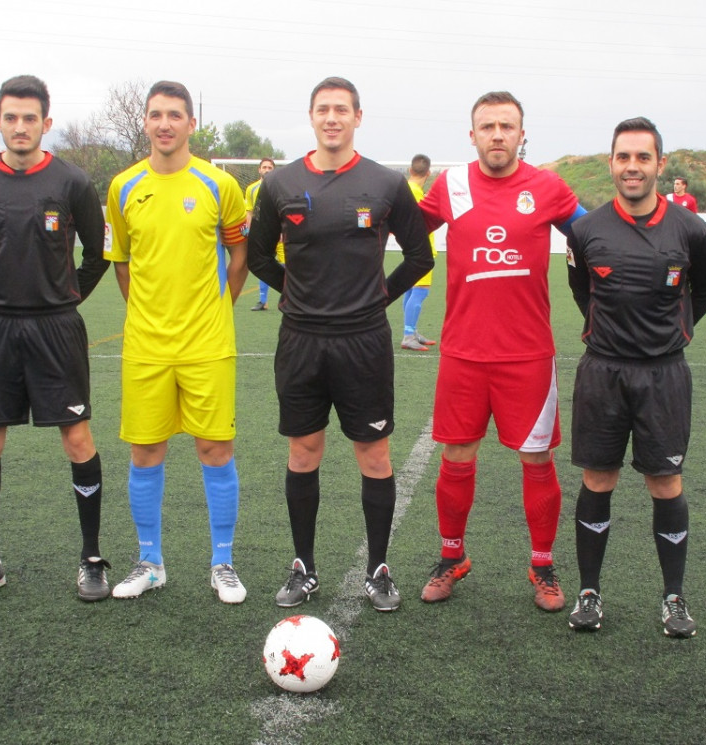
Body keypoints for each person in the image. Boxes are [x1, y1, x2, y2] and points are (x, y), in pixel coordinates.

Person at [247, 76, 434, 612]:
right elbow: (260, 257)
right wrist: (300, 293)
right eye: (323, 110)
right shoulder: (280, 183)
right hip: (302, 340)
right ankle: (303, 567)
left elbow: (420, 257)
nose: (332, 118)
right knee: (304, 451)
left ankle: (378, 569)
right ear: (311, 117)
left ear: (358, 116)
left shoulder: (385, 184)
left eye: (342, 110)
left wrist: (377, 298)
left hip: (363, 342)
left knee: (374, 454)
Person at [417, 91, 586, 611]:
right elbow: (404, 228)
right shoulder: (451, 184)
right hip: (464, 352)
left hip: (527, 354)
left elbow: (595, 236)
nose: (496, 134)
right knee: (456, 454)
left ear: (521, 134)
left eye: (506, 126)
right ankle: (452, 558)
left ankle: (542, 566)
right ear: (472, 135)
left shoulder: (547, 187)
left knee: (537, 459)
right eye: (487, 126)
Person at [0, 74, 111, 603]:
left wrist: (64, 298)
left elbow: (95, 256)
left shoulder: (72, 182)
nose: (20, 127)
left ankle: (91, 559)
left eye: (30, 118)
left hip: (56, 329)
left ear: (46, 121)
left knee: (78, 437)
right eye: (11, 117)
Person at [565, 116, 706, 638]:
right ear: (611, 163)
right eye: (623, 157)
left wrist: (674, 332)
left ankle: (674, 598)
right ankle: (589, 592)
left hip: (664, 375)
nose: (633, 167)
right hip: (602, 373)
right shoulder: (585, 230)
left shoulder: (691, 230)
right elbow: (581, 291)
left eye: (643, 157)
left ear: (659, 163)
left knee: (665, 481)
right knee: (597, 479)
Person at [105, 80, 249, 604]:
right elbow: (121, 263)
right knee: (145, 452)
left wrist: (217, 308)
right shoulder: (123, 186)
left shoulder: (219, 185)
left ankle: (223, 563)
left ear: (192, 123)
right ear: (145, 122)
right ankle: (150, 562)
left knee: (215, 449)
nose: (164, 123)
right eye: (155, 114)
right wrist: (147, 313)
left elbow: (239, 254)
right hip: (145, 345)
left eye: (175, 114)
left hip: (207, 343)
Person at [401, 153, 438, 351]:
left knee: (411, 290)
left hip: (412, 249)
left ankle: (411, 331)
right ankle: (408, 335)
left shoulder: (406, 188)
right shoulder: (415, 192)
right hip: (421, 250)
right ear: (428, 172)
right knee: (420, 292)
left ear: (410, 170)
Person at [244, 158, 285, 311]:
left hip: (281, 235)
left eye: (270, 167)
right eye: (264, 167)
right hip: (263, 235)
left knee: (288, 264)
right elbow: (250, 212)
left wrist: (283, 230)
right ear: (259, 170)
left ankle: (289, 297)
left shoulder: (281, 187)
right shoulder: (251, 189)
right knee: (263, 263)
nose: (267, 170)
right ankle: (262, 301)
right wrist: (251, 233)